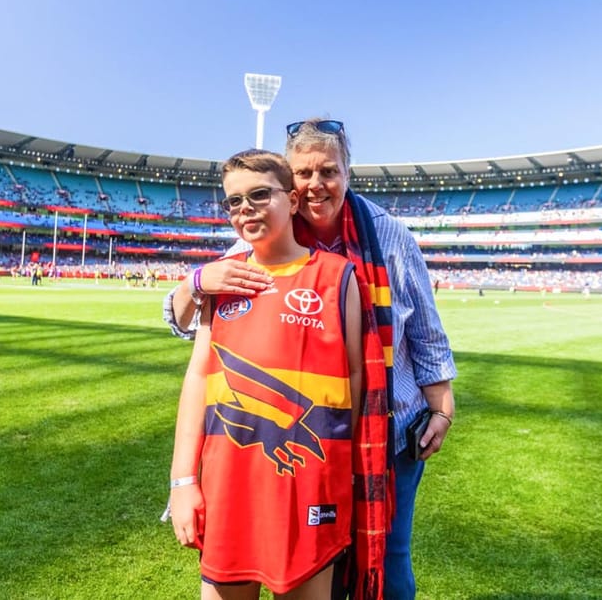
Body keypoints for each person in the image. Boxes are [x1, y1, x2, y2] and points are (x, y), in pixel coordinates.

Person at [164, 119, 457, 599]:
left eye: (329, 171)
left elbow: (425, 333)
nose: (317, 184)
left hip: (389, 430)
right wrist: (194, 282)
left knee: (388, 559)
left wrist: (442, 407)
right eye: (304, 172)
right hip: (281, 450)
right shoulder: (257, 234)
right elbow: (191, 323)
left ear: (347, 173)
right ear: (290, 183)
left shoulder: (388, 236)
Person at [169, 150, 363, 598]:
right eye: (233, 202)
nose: (244, 209)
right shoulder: (221, 283)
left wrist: (336, 472)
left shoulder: (336, 278)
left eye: (258, 195)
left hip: (308, 487)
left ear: (293, 201)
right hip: (228, 484)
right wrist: (183, 481)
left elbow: (354, 380)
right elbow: (198, 377)